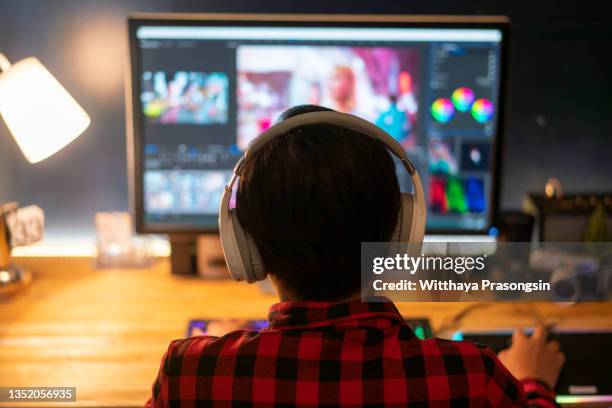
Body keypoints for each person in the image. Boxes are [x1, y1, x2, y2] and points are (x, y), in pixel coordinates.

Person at [146, 105, 564, 407]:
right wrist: (534, 384)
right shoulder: (474, 378)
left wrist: (224, 352)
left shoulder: (190, 374)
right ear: (400, 234)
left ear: (245, 244)